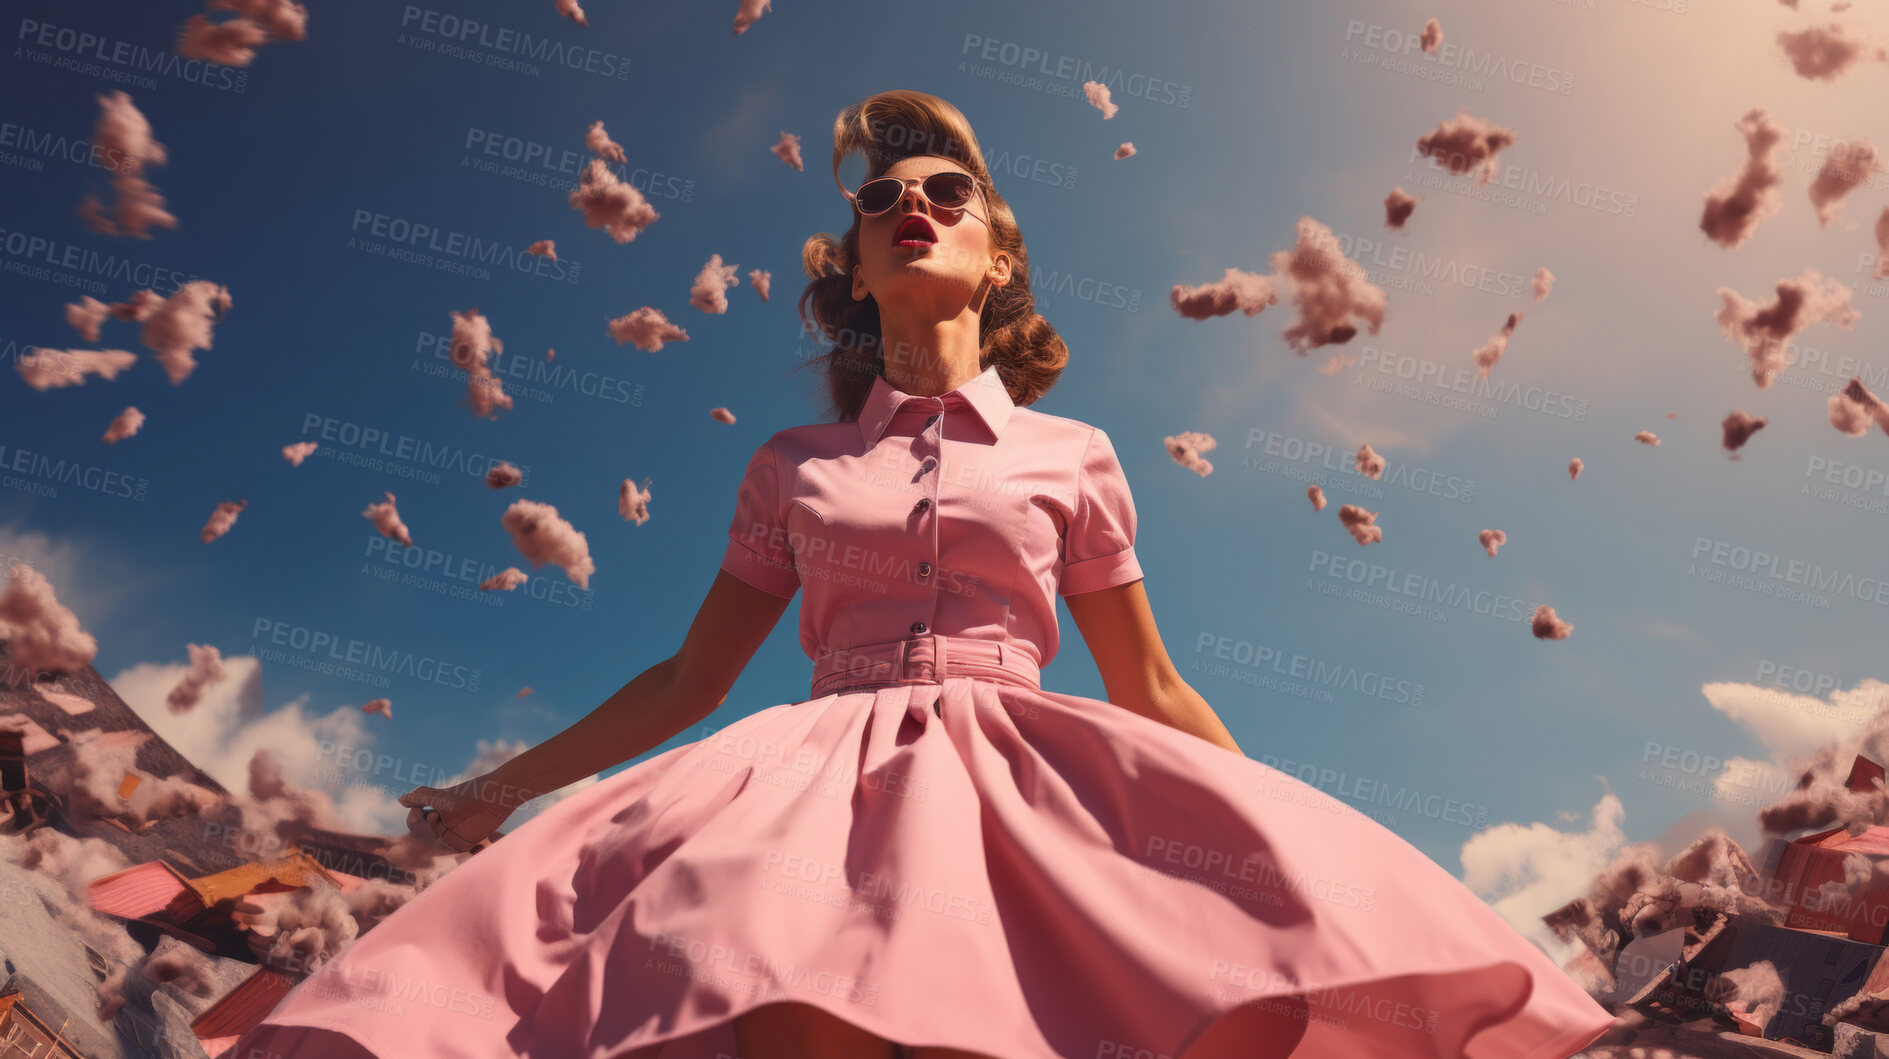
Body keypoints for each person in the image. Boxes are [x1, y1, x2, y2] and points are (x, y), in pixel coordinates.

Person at [225, 90, 1615, 1059]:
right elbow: (691, 677)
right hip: (803, 804)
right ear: (857, 267)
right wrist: (494, 791)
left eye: (947, 196)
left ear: (994, 256)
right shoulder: (791, 464)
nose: (914, 209)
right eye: (884, 202)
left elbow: (1152, 684)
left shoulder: (1074, 454)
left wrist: (1280, 855)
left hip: (1018, 802)